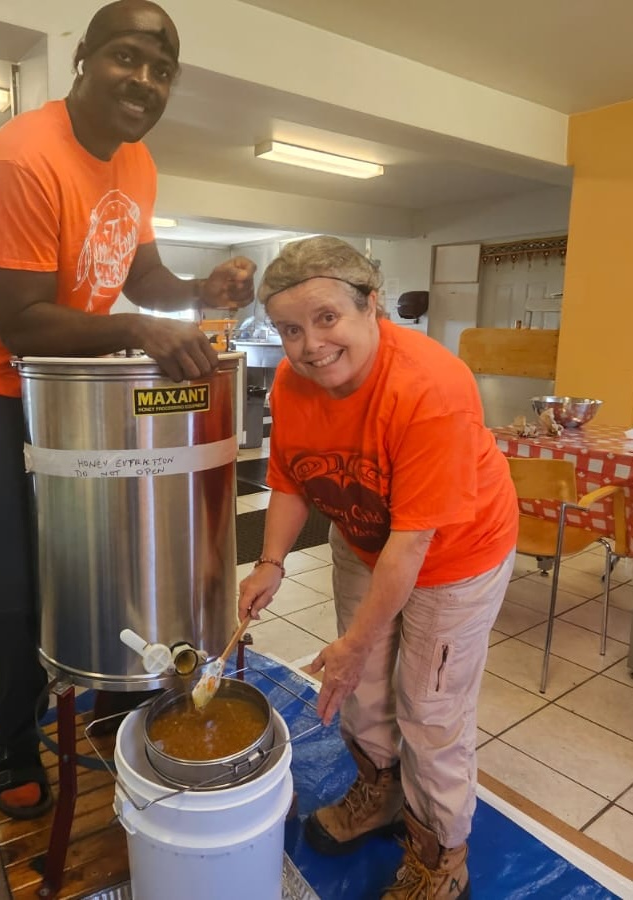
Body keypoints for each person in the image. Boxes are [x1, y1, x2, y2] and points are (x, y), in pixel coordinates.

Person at [0, 0, 255, 821]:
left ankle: (116, 694)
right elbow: (21, 323)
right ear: (82, 58)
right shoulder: (21, 159)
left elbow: (141, 277)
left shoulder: (136, 162)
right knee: (11, 586)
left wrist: (196, 293)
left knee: (105, 565)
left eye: (161, 70)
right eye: (126, 58)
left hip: (76, 399)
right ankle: (15, 733)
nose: (144, 81)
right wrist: (137, 329)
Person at [237, 236, 517, 899]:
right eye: (290, 330)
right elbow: (289, 477)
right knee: (361, 690)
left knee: (430, 709)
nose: (309, 345)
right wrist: (270, 561)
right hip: (364, 535)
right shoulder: (293, 376)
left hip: (454, 556)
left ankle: (439, 855)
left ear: (373, 306)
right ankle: (380, 794)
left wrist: (358, 643)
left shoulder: (431, 387)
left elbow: (414, 544)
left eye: (327, 318)